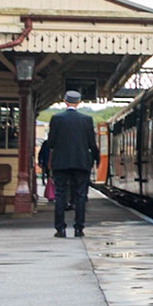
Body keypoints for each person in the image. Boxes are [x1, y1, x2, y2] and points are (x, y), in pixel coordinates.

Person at [41, 89, 99, 237]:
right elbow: (92, 144)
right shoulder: (87, 120)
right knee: (80, 196)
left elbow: (51, 142)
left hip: (61, 163)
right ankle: (79, 229)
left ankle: (60, 229)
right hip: (81, 163)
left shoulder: (56, 118)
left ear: (65, 102)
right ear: (78, 103)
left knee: (60, 195)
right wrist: (96, 159)